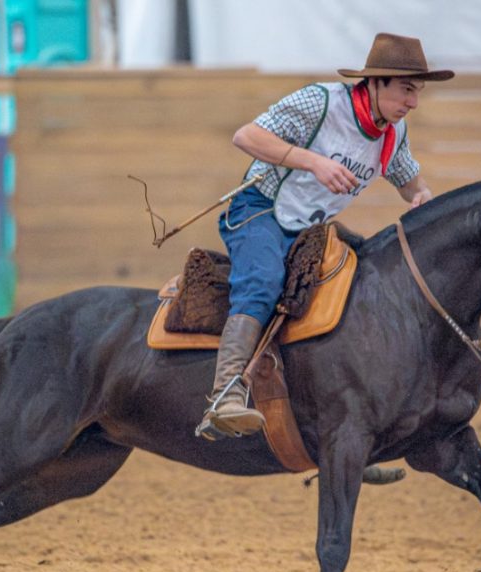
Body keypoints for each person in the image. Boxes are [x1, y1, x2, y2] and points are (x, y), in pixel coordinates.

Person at [195, 32, 454, 441]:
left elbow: (409, 181)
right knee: (262, 282)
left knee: (356, 298)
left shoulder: (392, 133)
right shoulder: (321, 103)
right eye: (406, 90)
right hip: (259, 210)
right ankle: (224, 395)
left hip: (310, 232)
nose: (413, 102)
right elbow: (246, 136)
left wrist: (421, 196)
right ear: (375, 82)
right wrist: (313, 162)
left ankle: (341, 429)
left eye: (417, 92)